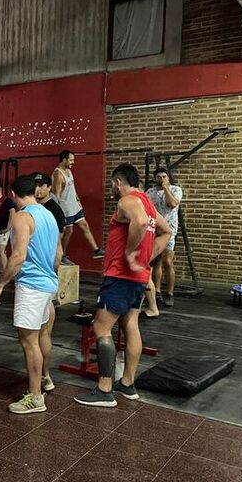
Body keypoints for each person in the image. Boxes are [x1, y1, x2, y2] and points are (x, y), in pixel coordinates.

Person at [74, 163, 171, 408]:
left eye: (112, 184)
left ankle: (105, 389)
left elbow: (138, 223)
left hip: (120, 277)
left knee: (101, 327)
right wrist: (146, 257)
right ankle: (127, 384)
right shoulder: (148, 203)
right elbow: (166, 231)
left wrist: (130, 253)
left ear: (118, 182)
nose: (112, 189)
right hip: (138, 279)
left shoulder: (127, 201)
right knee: (131, 325)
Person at [0, 176, 62, 414]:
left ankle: (36, 398)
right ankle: (38, 385)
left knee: (29, 342)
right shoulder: (48, 214)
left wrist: (0, 284)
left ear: (12, 194)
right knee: (37, 338)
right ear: (35, 191)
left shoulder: (22, 217)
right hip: (46, 284)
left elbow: (18, 256)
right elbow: (57, 253)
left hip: (31, 286)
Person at [33, 172, 66, 388]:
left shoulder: (53, 210)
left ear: (48, 188)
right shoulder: (32, 209)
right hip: (40, 279)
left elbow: (58, 247)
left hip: (41, 279)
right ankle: (44, 377)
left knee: (39, 334)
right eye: (34, 186)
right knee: (40, 333)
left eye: (41, 186)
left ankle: (41, 380)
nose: (37, 190)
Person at [52, 150, 104, 264]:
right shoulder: (58, 174)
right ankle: (63, 255)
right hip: (66, 209)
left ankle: (96, 250)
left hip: (74, 206)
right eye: (70, 160)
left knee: (84, 225)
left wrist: (77, 200)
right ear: (64, 160)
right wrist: (59, 213)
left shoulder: (69, 171)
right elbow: (56, 195)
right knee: (68, 232)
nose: (72, 162)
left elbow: (72, 189)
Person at [146, 168, 183, 307]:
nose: (161, 178)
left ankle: (170, 293)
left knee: (168, 261)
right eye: (158, 177)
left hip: (170, 230)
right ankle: (157, 292)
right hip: (155, 230)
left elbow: (172, 204)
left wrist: (166, 188)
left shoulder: (175, 190)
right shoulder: (150, 192)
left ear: (168, 178)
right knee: (156, 262)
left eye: (164, 176)